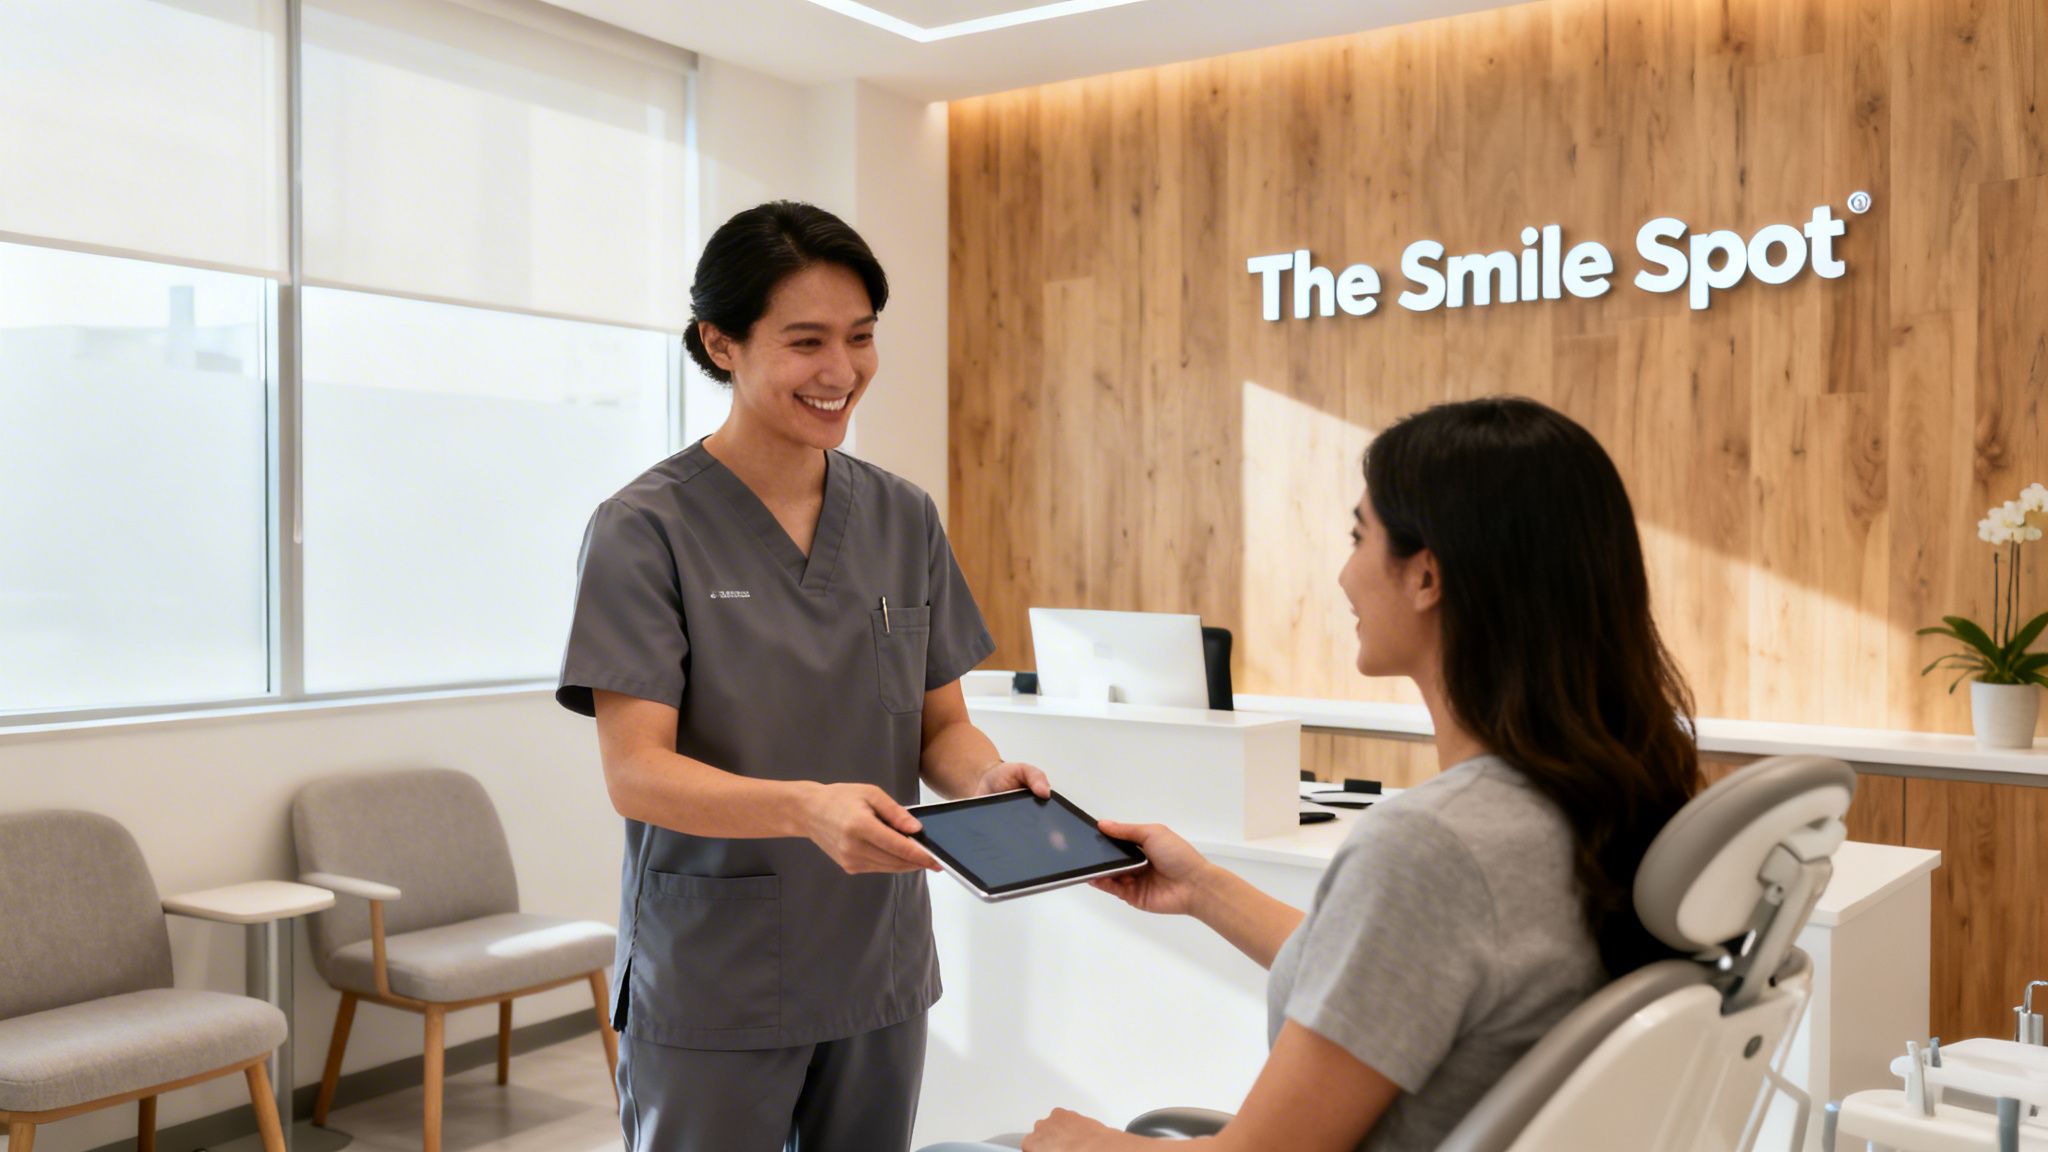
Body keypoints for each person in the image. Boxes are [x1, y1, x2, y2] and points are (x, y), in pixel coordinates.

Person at [1005, 396, 1700, 1151]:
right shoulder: (1603, 793)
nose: (1343, 574)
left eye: (1358, 537)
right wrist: (1203, 888)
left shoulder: (1432, 847)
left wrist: (1083, 1144)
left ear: (1427, 575)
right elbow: (1394, 976)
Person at [556, 200, 1047, 1152]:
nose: (841, 373)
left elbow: (939, 728)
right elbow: (638, 773)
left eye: (861, 338)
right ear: (722, 343)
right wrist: (807, 809)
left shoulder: (903, 517)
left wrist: (987, 781)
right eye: (806, 341)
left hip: (876, 959)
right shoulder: (645, 528)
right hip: (717, 971)